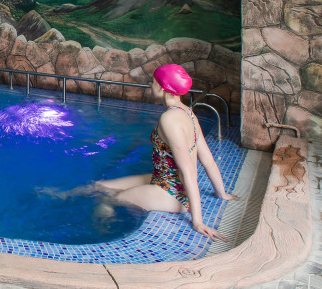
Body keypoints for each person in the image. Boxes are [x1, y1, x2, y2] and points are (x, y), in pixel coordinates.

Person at [96, 63, 237, 241]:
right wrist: (221, 193)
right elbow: (207, 159)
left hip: (171, 193)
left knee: (107, 200)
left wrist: (198, 222)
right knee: (99, 186)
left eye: (153, 81)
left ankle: (101, 233)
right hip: (163, 180)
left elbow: (188, 171)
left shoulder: (169, 119)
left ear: (163, 88)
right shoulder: (188, 112)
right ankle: (66, 194)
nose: (150, 85)